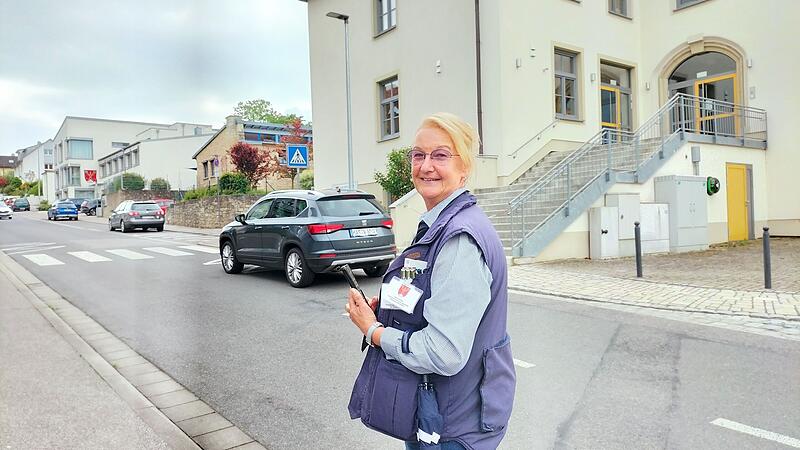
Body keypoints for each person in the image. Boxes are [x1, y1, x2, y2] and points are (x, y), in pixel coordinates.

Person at [346, 113, 516, 449]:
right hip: (446, 414)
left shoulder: (459, 239)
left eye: (440, 155)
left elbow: (443, 353)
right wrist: (392, 309)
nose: (426, 166)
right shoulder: (443, 223)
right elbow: (430, 287)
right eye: (419, 155)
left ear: (464, 167)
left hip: (451, 428)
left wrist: (374, 331)